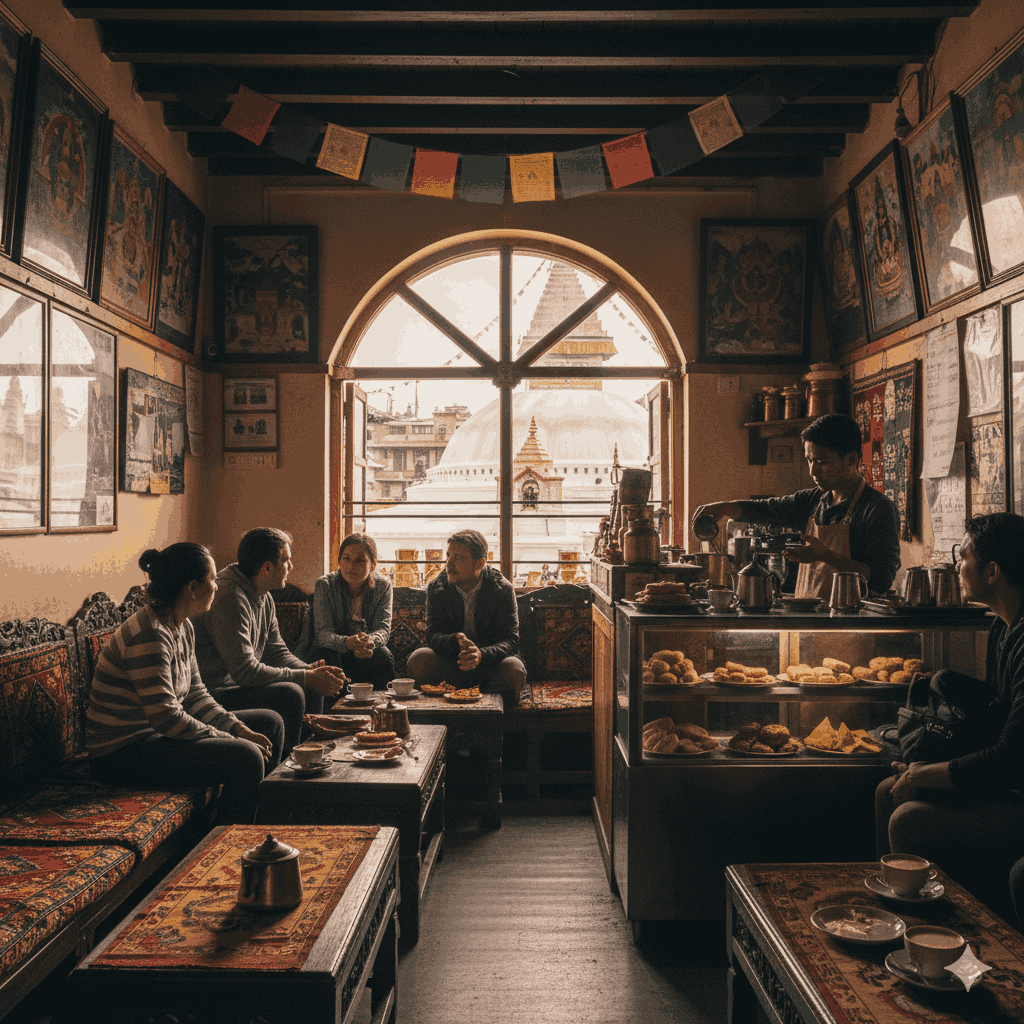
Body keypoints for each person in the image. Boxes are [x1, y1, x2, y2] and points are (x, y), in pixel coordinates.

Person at [875, 513, 1024, 921]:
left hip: (1016, 795)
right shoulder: (1003, 628)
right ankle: (896, 921)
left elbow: (1010, 756)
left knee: (908, 819)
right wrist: (925, 765)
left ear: (993, 571)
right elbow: (994, 724)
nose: (958, 564)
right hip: (1008, 783)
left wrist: (927, 775)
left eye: (965, 554)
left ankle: (941, 934)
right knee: (888, 789)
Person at [87, 543, 284, 825]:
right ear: (193, 587)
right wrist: (230, 738)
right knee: (246, 757)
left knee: (269, 723)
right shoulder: (149, 635)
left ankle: (260, 826)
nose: (217, 586)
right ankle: (229, 843)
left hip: (155, 736)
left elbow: (196, 695)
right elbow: (166, 718)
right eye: (213, 579)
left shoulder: (183, 625)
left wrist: (238, 728)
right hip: (122, 753)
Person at [692, 412, 901, 599]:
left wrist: (825, 555)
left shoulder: (877, 509)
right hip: (807, 625)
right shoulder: (812, 501)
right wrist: (725, 508)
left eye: (822, 462)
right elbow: (767, 509)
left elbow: (881, 580)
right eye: (809, 460)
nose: (813, 472)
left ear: (851, 459)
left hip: (852, 630)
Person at [193, 527, 347, 754]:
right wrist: (306, 677)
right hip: (213, 693)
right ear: (266, 568)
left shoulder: (263, 594)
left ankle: (312, 759)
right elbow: (245, 672)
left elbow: (277, 653)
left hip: (236, 686)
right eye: (286, 560)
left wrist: (311, 672)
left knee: (312, 686)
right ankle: (287, 773)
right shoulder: (230, 598)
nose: (291, 566)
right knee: (292, 693)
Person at [407, 529, 526, 707]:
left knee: (514, 668)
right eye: (448, 556)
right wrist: (455, 640)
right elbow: (432, 635)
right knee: (419, 659)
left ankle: (501, 729)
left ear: (480, 564)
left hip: (489, 666)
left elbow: (511, 641)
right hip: (452, 664)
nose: (449, 563)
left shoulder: (501, 588)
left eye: (459, 558)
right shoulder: (437, 587)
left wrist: (480, 655)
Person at [304, 533, 395, 697]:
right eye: (346, 558)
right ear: (339, 562)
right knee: (326, 657)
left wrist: (367, 642)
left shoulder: (383, 586)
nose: (351, 565)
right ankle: (333, 716)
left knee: (382, 655)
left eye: (360, 560)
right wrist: (347, 643)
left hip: (365, 651)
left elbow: (383, 629)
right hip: (333, 649)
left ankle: (383, 710)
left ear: (372, 565)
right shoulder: (325, 585)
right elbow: (322, 634)